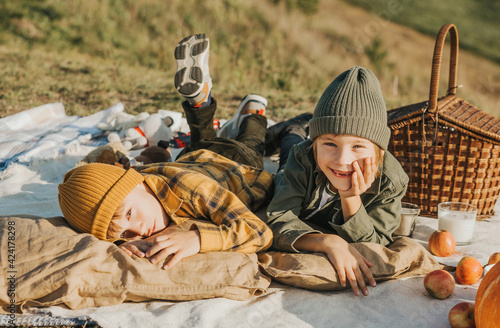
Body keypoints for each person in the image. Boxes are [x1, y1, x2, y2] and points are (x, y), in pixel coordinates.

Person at [58, 33, 274, 269]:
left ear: (136, 181)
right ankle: (199, 102)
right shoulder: (138, 185)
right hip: (192, 158)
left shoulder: (193, 191)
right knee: (200, 139)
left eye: (130, 215)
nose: (140, 230)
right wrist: (125, 241)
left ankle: (254, 109)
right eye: (127, 233)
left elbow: (259, 232)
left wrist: (198, 238)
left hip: (237, 163)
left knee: (251, 140)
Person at [266, 66, 409, 297]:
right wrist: (327, 242)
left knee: (293, 139)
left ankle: (297, 126)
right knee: (287, 148)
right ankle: (291, 128)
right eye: (330, 143)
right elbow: (278, 219)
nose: (342, 160)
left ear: (378, 150)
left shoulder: (391, 182)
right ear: (316, 144)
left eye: (358, 146)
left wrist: (350, 198)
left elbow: (375, 246)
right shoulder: (303, 157)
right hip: (293, 161)